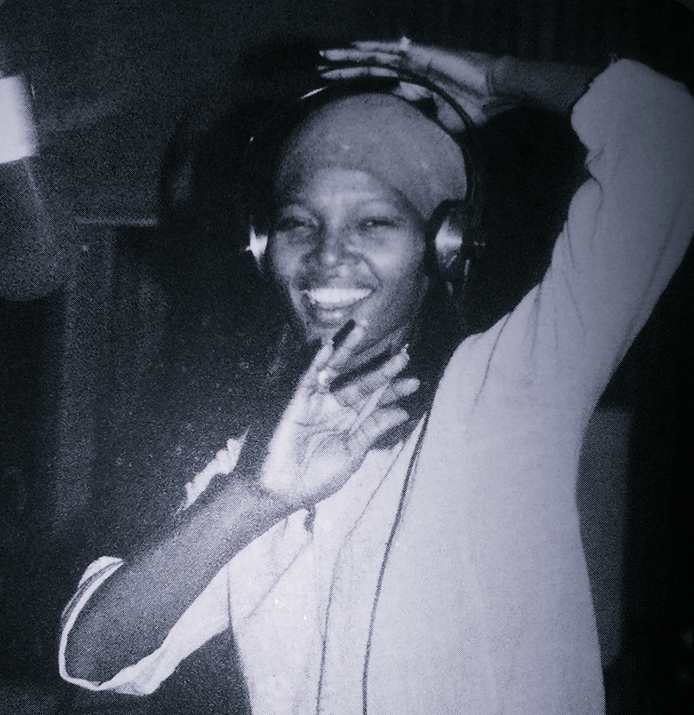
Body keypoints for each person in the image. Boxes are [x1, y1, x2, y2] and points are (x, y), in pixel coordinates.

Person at [59, 42, 694, 714]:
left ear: (442, 249)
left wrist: (498, 77)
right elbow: (93, 656)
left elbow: (667, 131)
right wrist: (254, 499)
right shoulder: (258, 462)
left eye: (373, 223)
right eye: (299, 224)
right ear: (265, 251)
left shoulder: (510, 386)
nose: (328, 254)